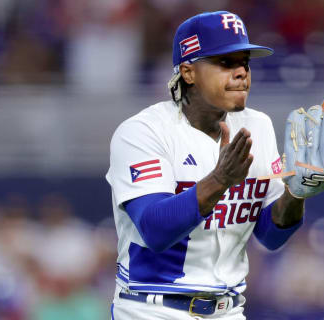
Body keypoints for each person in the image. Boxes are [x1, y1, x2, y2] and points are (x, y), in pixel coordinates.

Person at [106, 11, 306, 319]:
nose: (241, 72)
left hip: (229, 309)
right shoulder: (142, 132)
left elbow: (270, 235)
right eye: (226, 62)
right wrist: (220, 180)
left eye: (245, 62)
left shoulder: (258, 125)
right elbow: (155, 231)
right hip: (152, 308)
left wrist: (299, 190)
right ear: (188, 72)